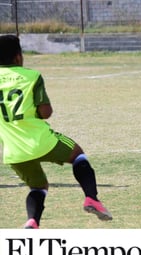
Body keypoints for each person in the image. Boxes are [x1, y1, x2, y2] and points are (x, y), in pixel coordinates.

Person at [0, 35, 112, 228]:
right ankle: (91, 198)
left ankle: (32, 221)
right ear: (18, 57)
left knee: (38, 187)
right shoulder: (31, 76)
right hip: (42, 141)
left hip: (14, 151)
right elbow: (46, 113)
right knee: (78, 155)